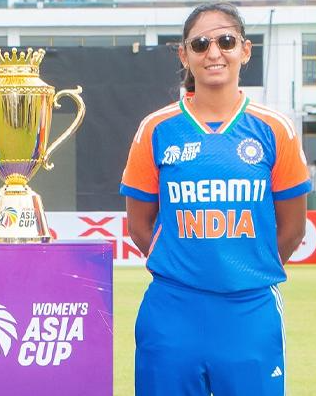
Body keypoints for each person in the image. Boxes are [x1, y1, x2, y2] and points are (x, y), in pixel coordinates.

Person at [120, 2, 311, 395]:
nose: (213, 52)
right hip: (172, 311)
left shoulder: (275, 130)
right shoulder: (156, 129)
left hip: (250, 313)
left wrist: (248, 270)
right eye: (200, 43)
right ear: (184, 55)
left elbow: (292, 226)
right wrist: (185, 269)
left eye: (225, 41)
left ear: (245, 50)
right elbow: (139, 225)